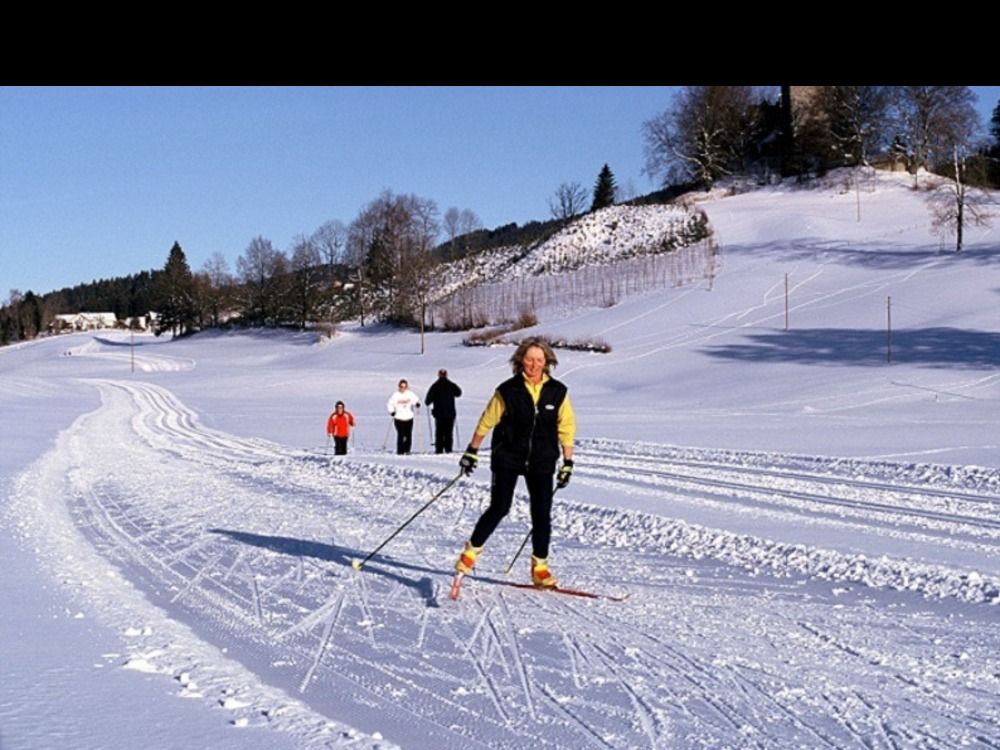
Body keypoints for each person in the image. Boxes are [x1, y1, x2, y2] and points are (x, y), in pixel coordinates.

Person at [453, 337, 575, 588]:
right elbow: (487, 420)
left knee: (541, 514)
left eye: (539, 360)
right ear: (520, 361)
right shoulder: (507, 390)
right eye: (529, 359)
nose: (534, 364)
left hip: (542, 458)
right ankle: (470, 552)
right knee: (500, 507)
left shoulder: (558, 391)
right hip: (508, 455)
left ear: (547, 362)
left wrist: (568, 462)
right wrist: (472, 451)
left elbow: (566, 427)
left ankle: (539, 566)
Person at [424, 369, 462, 453]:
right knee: (449, 432)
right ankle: (448, 449)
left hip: (439, 413)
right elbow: (459, 393)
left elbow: (427, 401)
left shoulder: (435, 386)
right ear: (446, 375)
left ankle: (439, 450)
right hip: (450, 413)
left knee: (439, 432)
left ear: (439, 375)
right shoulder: (451, 385)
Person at [386, 379, 421, 455]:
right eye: (401, 387)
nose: (403, 388)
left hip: (409, 417)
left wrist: (417, 404)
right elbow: (390, 404)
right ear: (399, 387)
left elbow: (416, 400)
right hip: (399, 418)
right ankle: (400, 450)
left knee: (408, 434)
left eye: (404, 387)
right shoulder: (395, 395)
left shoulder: (410, 394)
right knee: (401, 434)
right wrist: (392, 411)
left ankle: (407, 450)